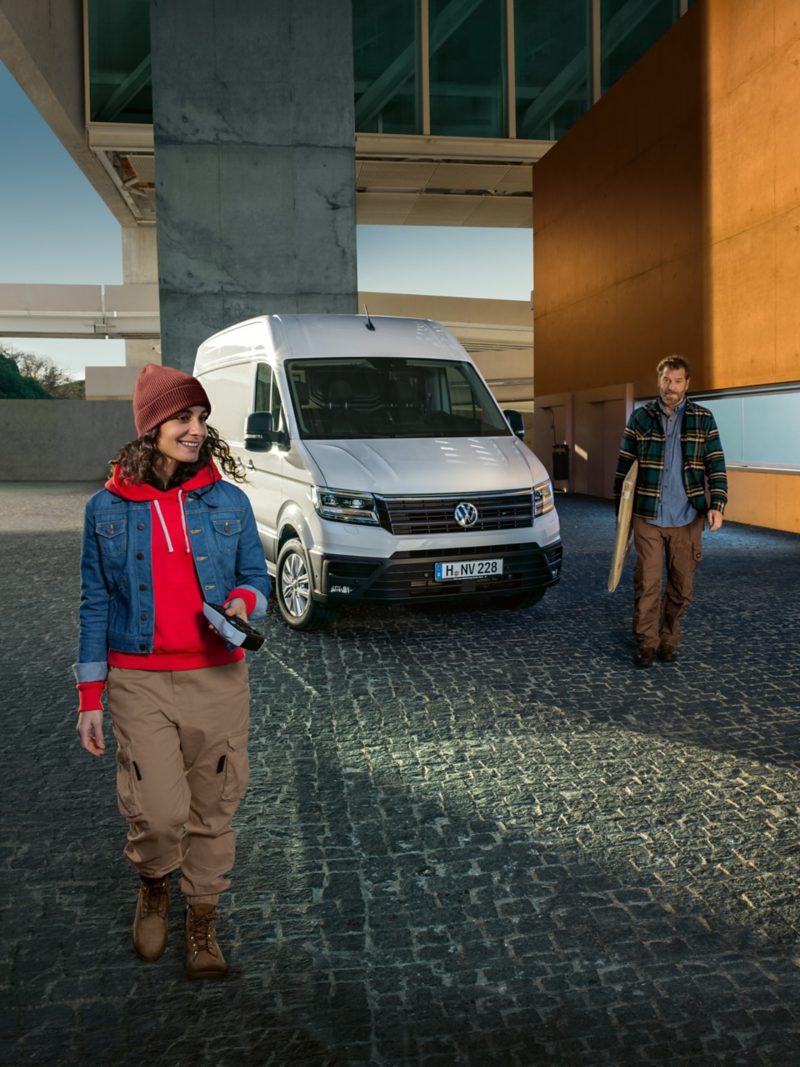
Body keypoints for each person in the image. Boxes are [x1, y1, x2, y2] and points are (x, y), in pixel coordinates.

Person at [73, 363, 270, 978]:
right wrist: (90, 695)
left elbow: (256, 580)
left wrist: (244, 602)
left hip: (218, 676)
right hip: (139, 681)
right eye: (183, 417)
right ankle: (155, 883)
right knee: (158, 812)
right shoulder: (105, 509)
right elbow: (95, 601)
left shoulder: (230, 501)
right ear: (150, 426)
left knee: (213, 804)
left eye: (202, 418)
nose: (196, 429)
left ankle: (203, 916)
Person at [613, 356, 727, 669]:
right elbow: (624, 468)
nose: (671, 387)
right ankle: (647, 643)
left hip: (688, 516)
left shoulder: (703, 419)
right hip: (648, 514)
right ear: (659, 380)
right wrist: (622, 516)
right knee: (648, 584)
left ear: (687, 384)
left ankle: (668, 638)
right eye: (666, 380)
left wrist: (717, 504)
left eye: (677, 381)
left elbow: (715, 464)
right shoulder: (640, 418)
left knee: (681, 587)